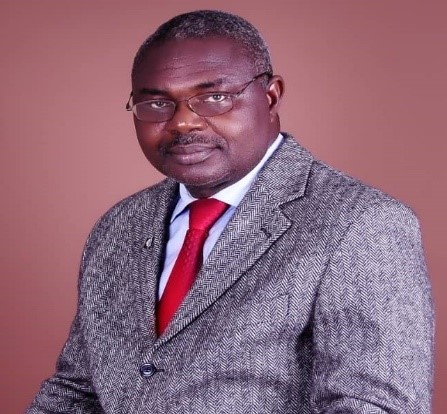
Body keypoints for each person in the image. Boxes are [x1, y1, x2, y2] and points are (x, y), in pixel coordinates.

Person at [28, 10, 434, 414]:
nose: (182, 123)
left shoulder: (361, 224)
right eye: (157, 103)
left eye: (214, 98)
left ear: (270, 96)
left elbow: (375, 406)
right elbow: (76, 392)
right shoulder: (119, 226)